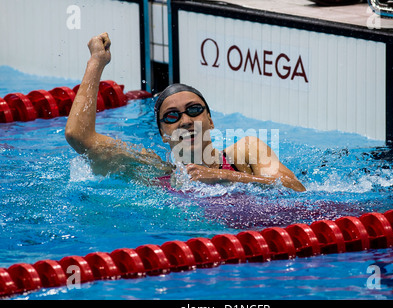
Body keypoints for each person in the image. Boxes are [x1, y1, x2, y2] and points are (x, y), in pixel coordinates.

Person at [65, 33, 306, 192]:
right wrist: (96, 61)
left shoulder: (244, 152)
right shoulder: (154, 172)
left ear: (210, 120)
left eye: (194, 110)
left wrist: (222, 176)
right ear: (163, 134)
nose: (186, 120)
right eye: (172, 116)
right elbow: (78, 136)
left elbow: (294, 187)